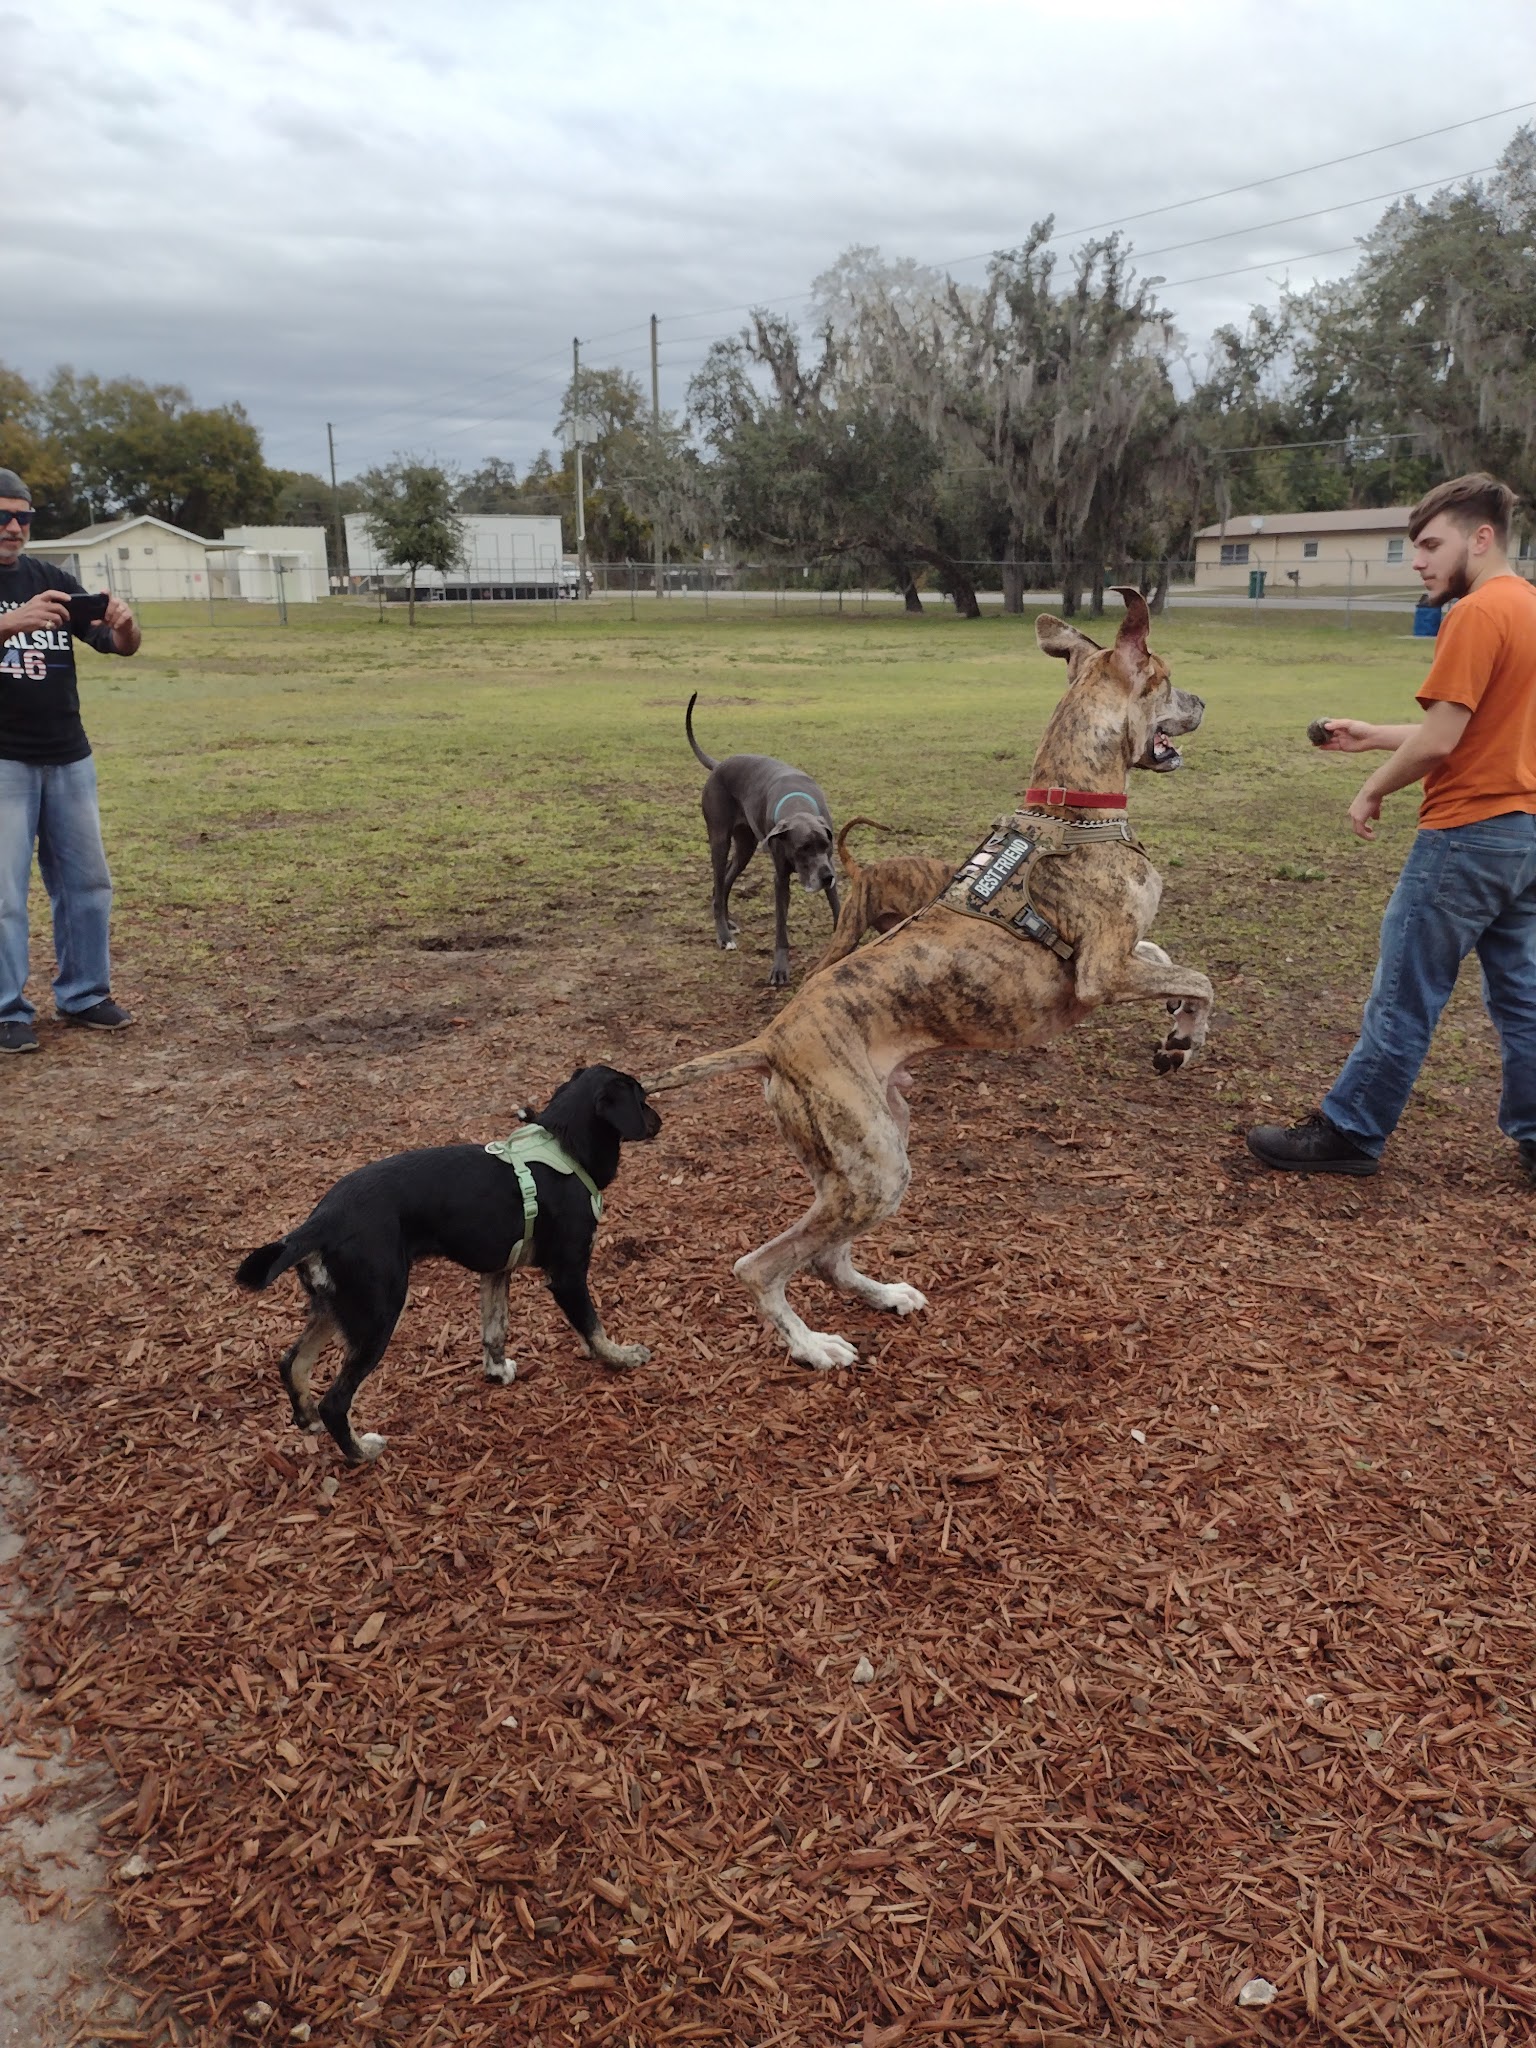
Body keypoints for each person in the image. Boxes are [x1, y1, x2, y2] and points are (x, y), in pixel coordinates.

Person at [1247, 472, 1536, 1184]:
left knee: (1407, 988)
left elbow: (1441, 743)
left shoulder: (1476, 613)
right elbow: (1479, 729)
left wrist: (1372, 787)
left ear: (1481, 538)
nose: (1418, 561)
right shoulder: (1528, 607)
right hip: (1524, 837)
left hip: (1466, 835)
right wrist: (1374, 735)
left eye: (1431, 545)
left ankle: (1351, 1129)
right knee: (1523, 997)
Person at [0, 467, 141, 1054]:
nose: (13, 528)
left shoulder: (51, 580)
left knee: (87, 883)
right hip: (5, 761)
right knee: (4, 896)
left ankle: (84, 994)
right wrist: (8, 624)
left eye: (23, 517)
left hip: (68, 756)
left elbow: (116, 645)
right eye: (2, 516)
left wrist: (126, 628)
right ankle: (7, 1011)